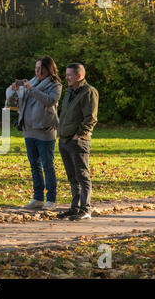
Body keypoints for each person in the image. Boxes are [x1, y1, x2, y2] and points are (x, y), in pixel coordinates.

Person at [6, 56, 62, 211]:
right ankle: (38, 198)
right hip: (28, 129)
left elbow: (50, 101)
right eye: (36, 68)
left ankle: (51, 199)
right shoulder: (31, 82)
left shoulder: (55, 85)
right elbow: (18, 104)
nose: (37, 71)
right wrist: (15, 92)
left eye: (40, 69)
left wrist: (31, 89)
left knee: (47, 165)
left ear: (48, 69)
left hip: (45, 131)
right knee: (34, 165)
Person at [56, 63, 99, 221]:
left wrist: (79, 135)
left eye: (69, 75)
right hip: (64, 139)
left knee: (82, 175)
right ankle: (74, 208)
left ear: (79, 76)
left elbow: (91, 118)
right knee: (72, 176)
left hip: (78, 141)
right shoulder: (70, 92)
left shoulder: (89, 92)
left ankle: (85, 208)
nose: (66, 77)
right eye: (66, 74)